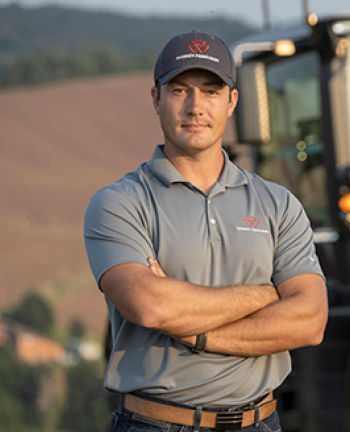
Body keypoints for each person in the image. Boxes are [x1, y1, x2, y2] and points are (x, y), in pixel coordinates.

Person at [83, 30, 327, 432]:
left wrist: (197, 334)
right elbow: (151, 306)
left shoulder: (278, 204)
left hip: (260, 423)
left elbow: (310, 321)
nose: (195, 107)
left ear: (231, 101)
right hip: (156, 425)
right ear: (156, 99)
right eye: (180, 90)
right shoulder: (119, 203)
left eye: (211, 91)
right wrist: (263, 295)